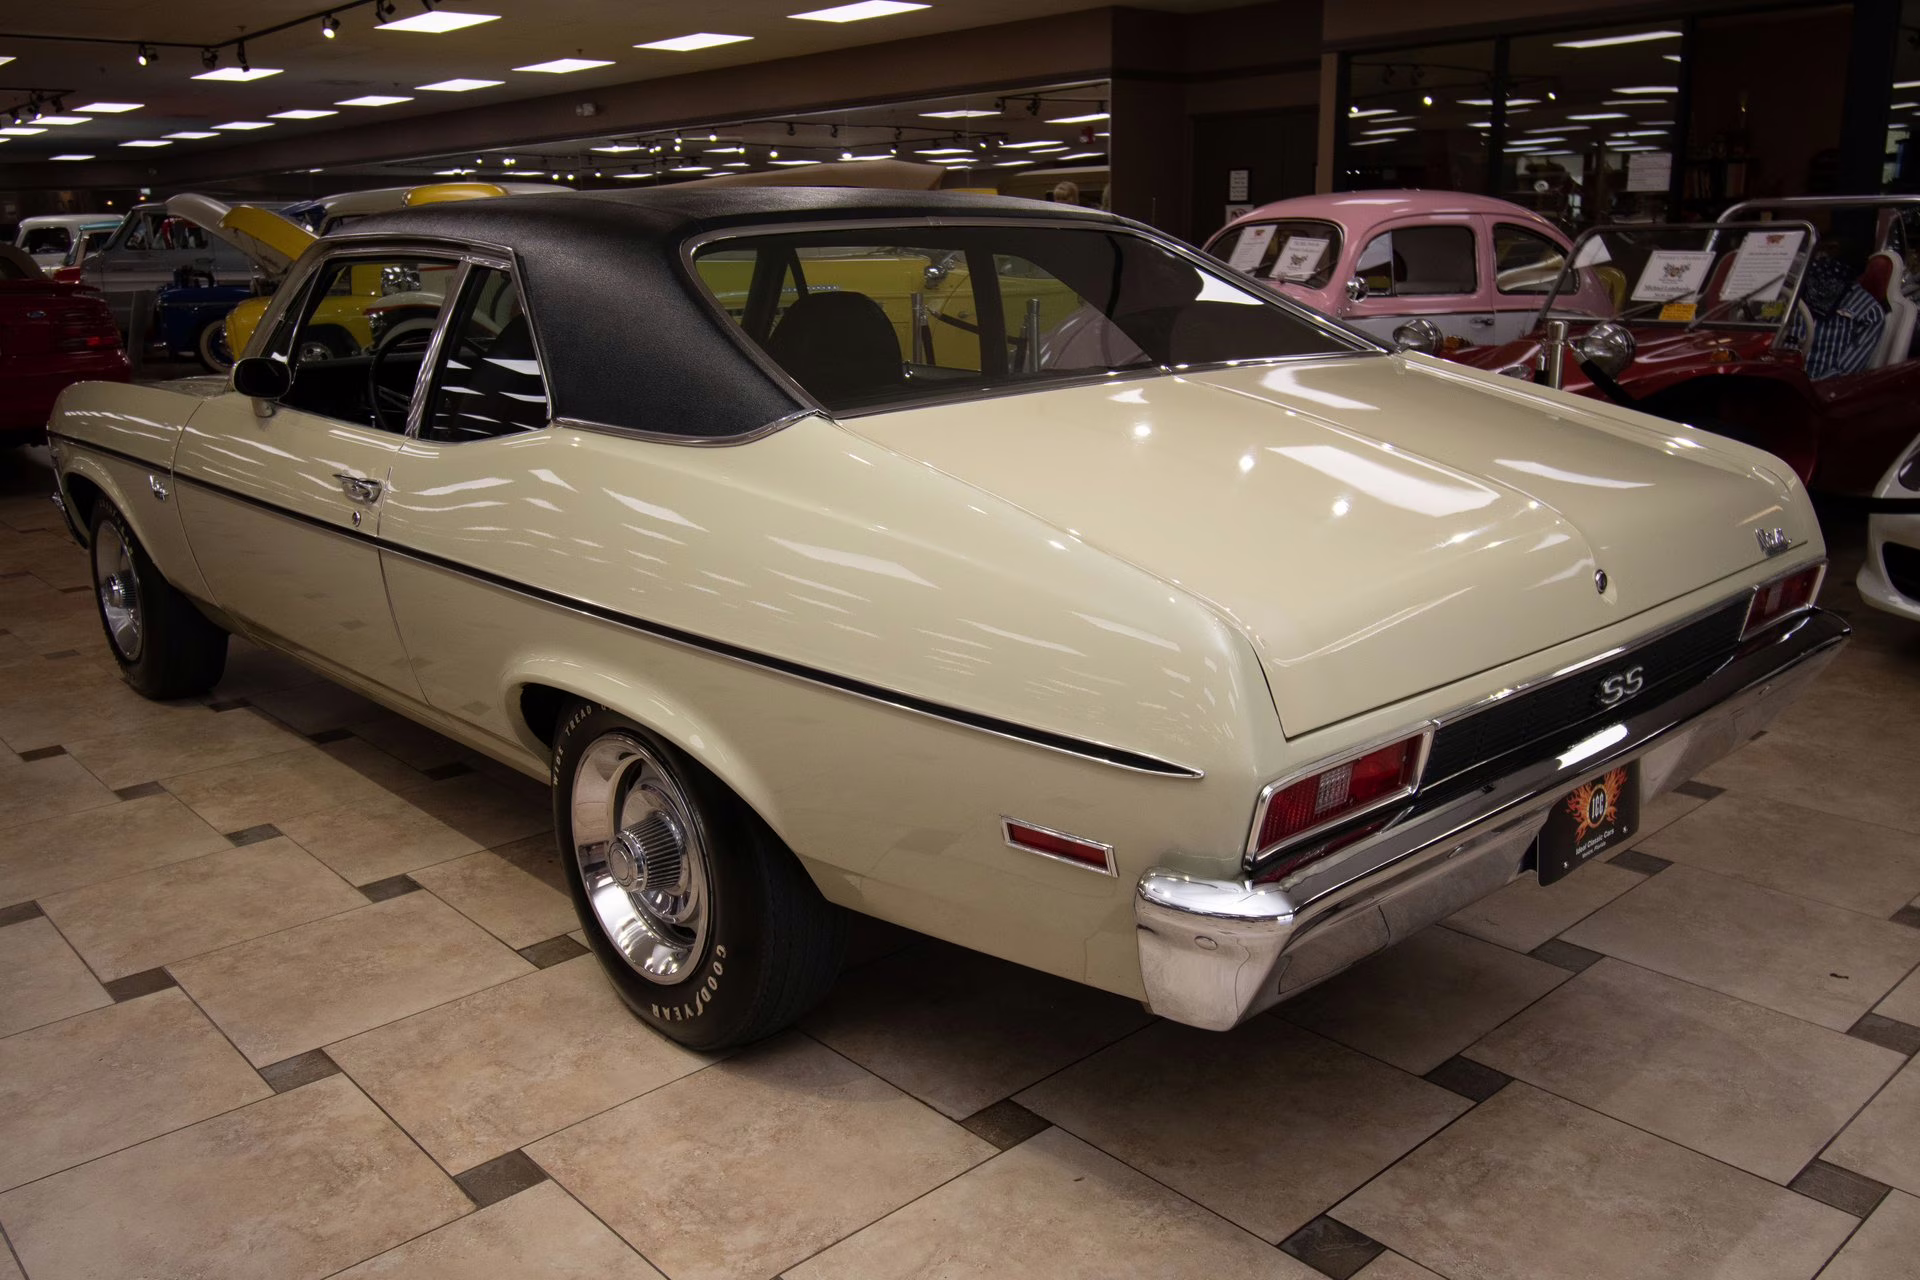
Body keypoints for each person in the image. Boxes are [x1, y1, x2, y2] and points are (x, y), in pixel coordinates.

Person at [1792, 252, 1885, 379]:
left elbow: (1843, 372)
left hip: (1816, 388)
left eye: (1824, 253)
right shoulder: (1791, 294)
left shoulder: (1869, 313)